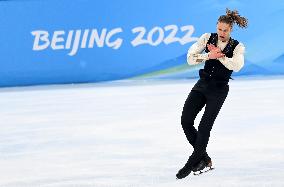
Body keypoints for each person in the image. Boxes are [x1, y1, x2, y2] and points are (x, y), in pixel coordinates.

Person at [176, 8, 248, 179]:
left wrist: (220, 56)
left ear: (231, 29)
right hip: (202, 84)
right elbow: (190, 58)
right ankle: (205, 158)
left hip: (219, 90)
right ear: (216, 27)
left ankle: (191, 162)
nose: (222, 33)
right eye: (220, 29)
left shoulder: (238, 47)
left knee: (204, 127)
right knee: (186, 121)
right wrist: (209, 55)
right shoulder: (207, 38)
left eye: (226, 30)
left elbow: (236, 66)